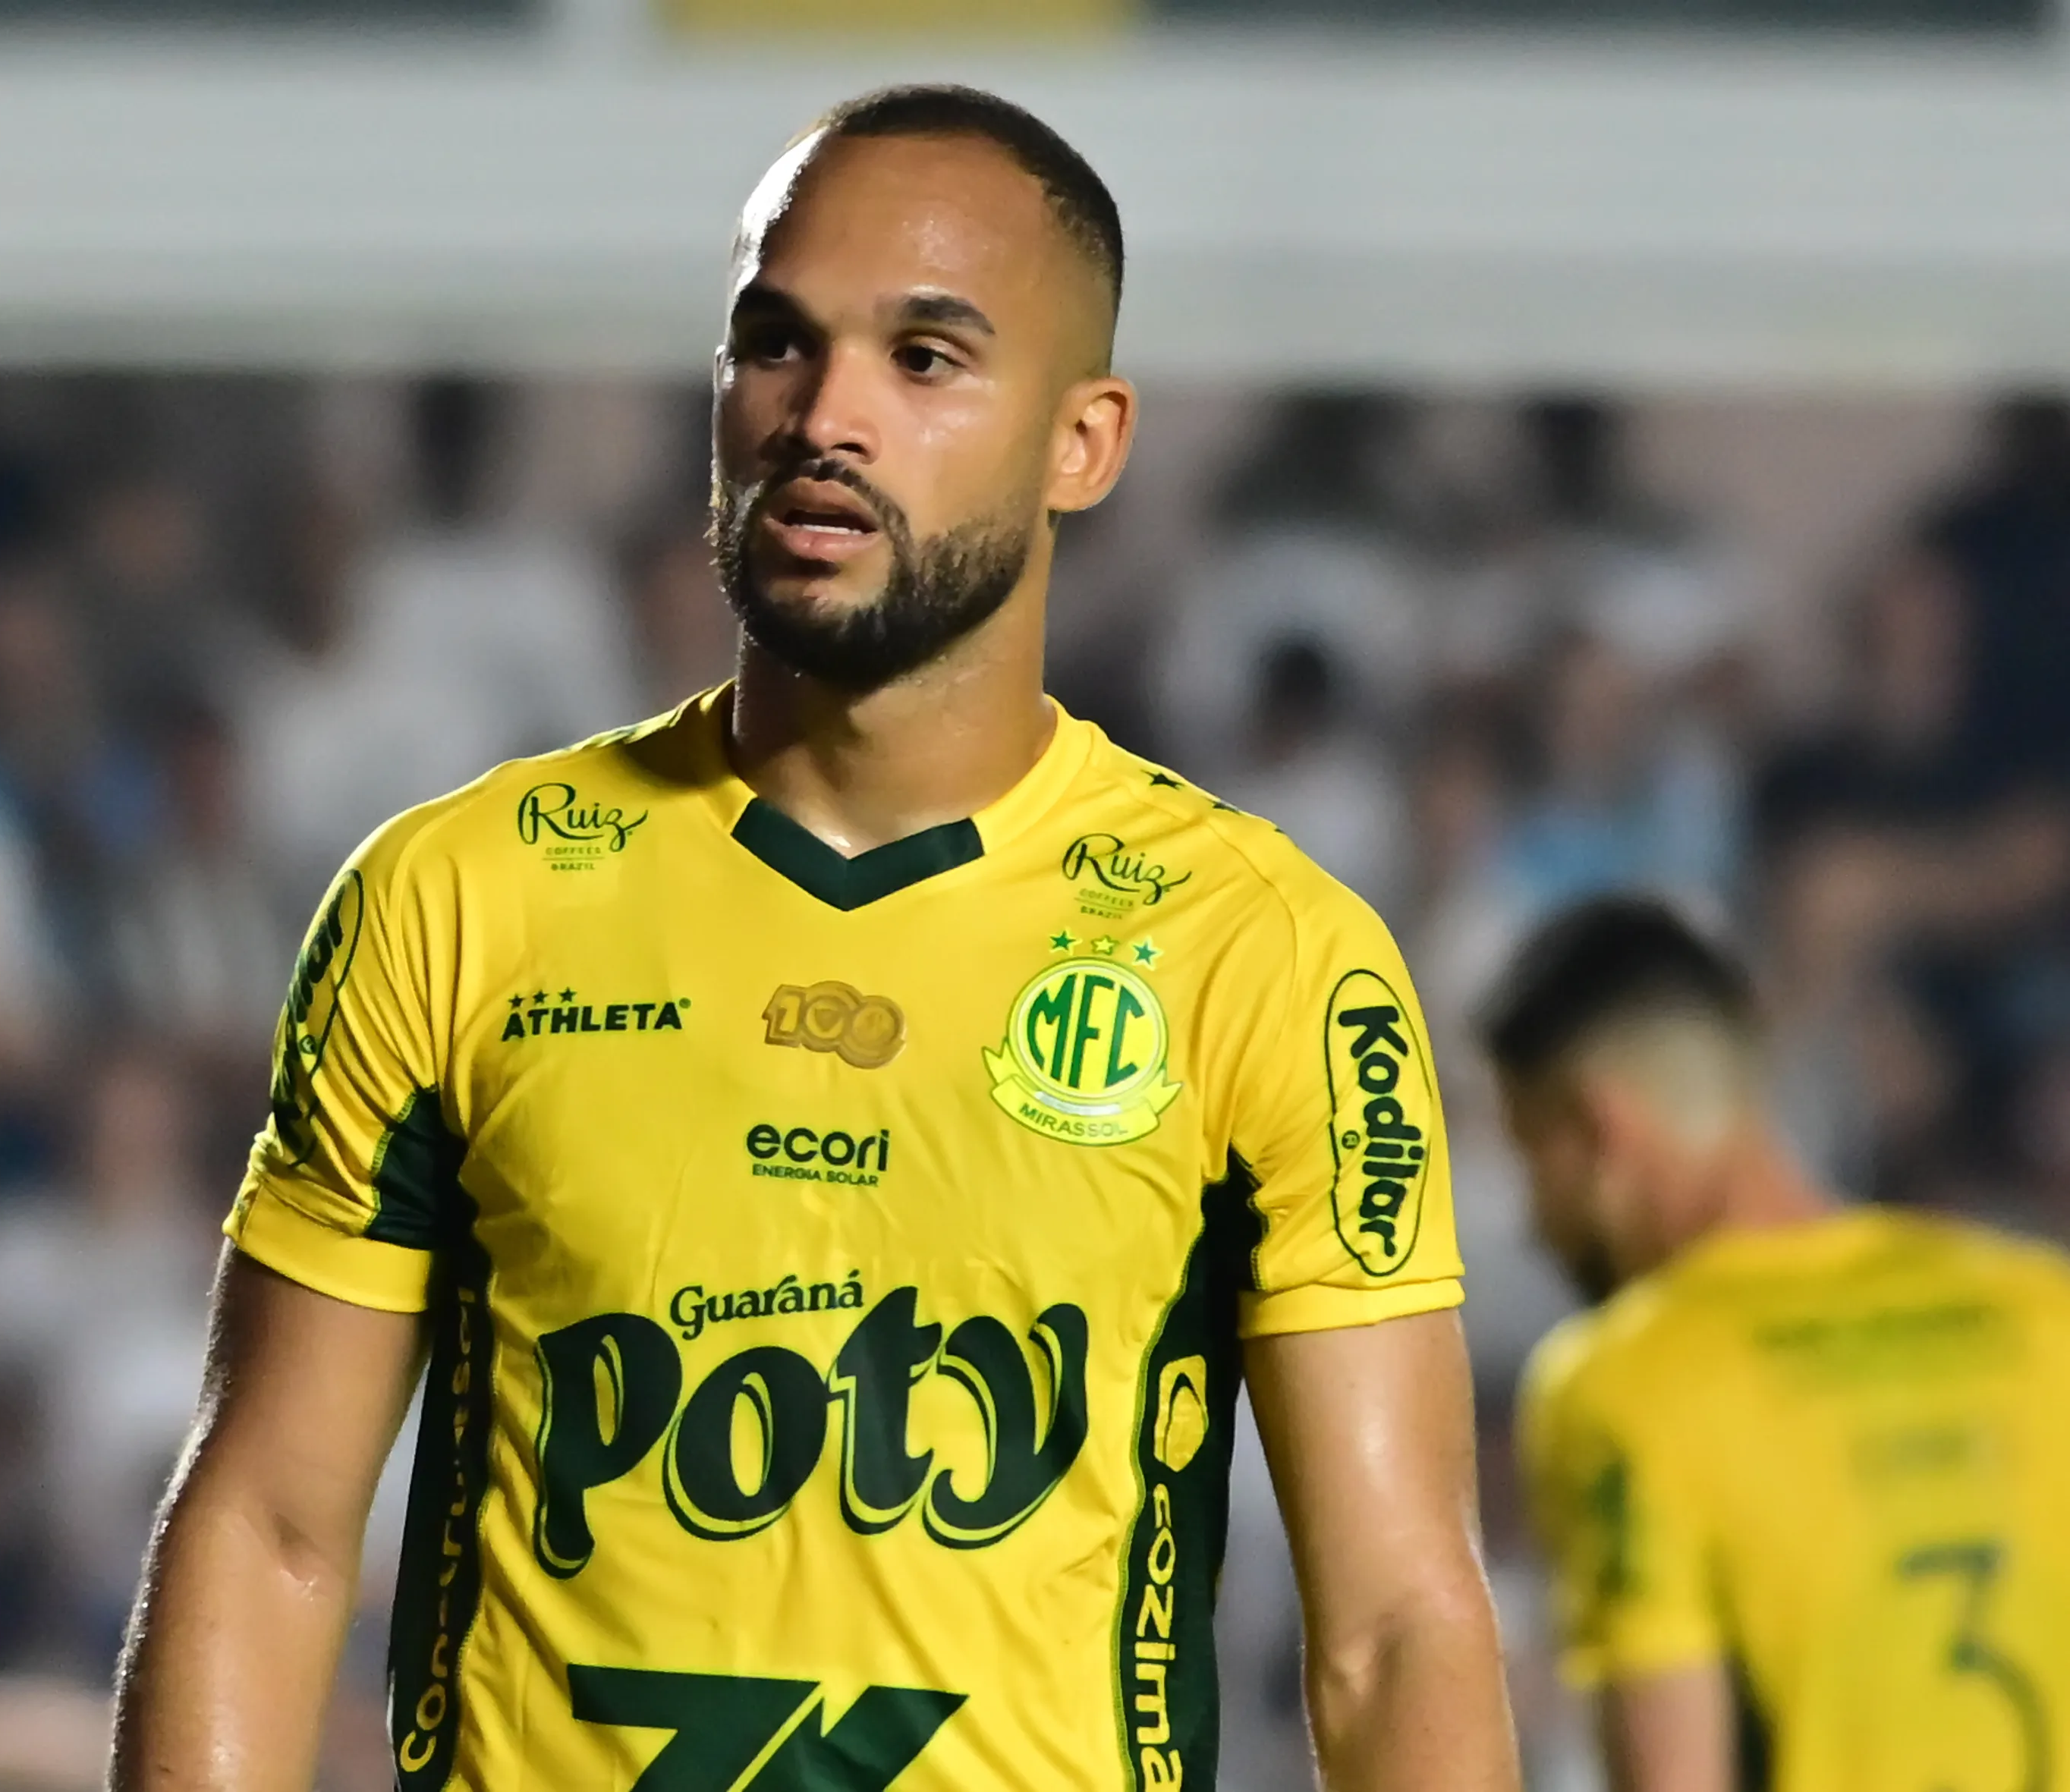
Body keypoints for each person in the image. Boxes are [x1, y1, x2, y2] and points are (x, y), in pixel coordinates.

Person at [112, 86, 1517, 1792]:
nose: (824, 413)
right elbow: (264, 1523)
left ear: (1085, 442)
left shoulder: (1266, 953)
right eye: (774, 345)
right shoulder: (458, 895)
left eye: (925, 359)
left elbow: (1389, 1630)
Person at [1482, 894, 2070, 1792]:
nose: (1535, 1222)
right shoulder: (2042, 1312)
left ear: (1604, 1128)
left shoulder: (1629, 1387)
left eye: (1535, 1160)